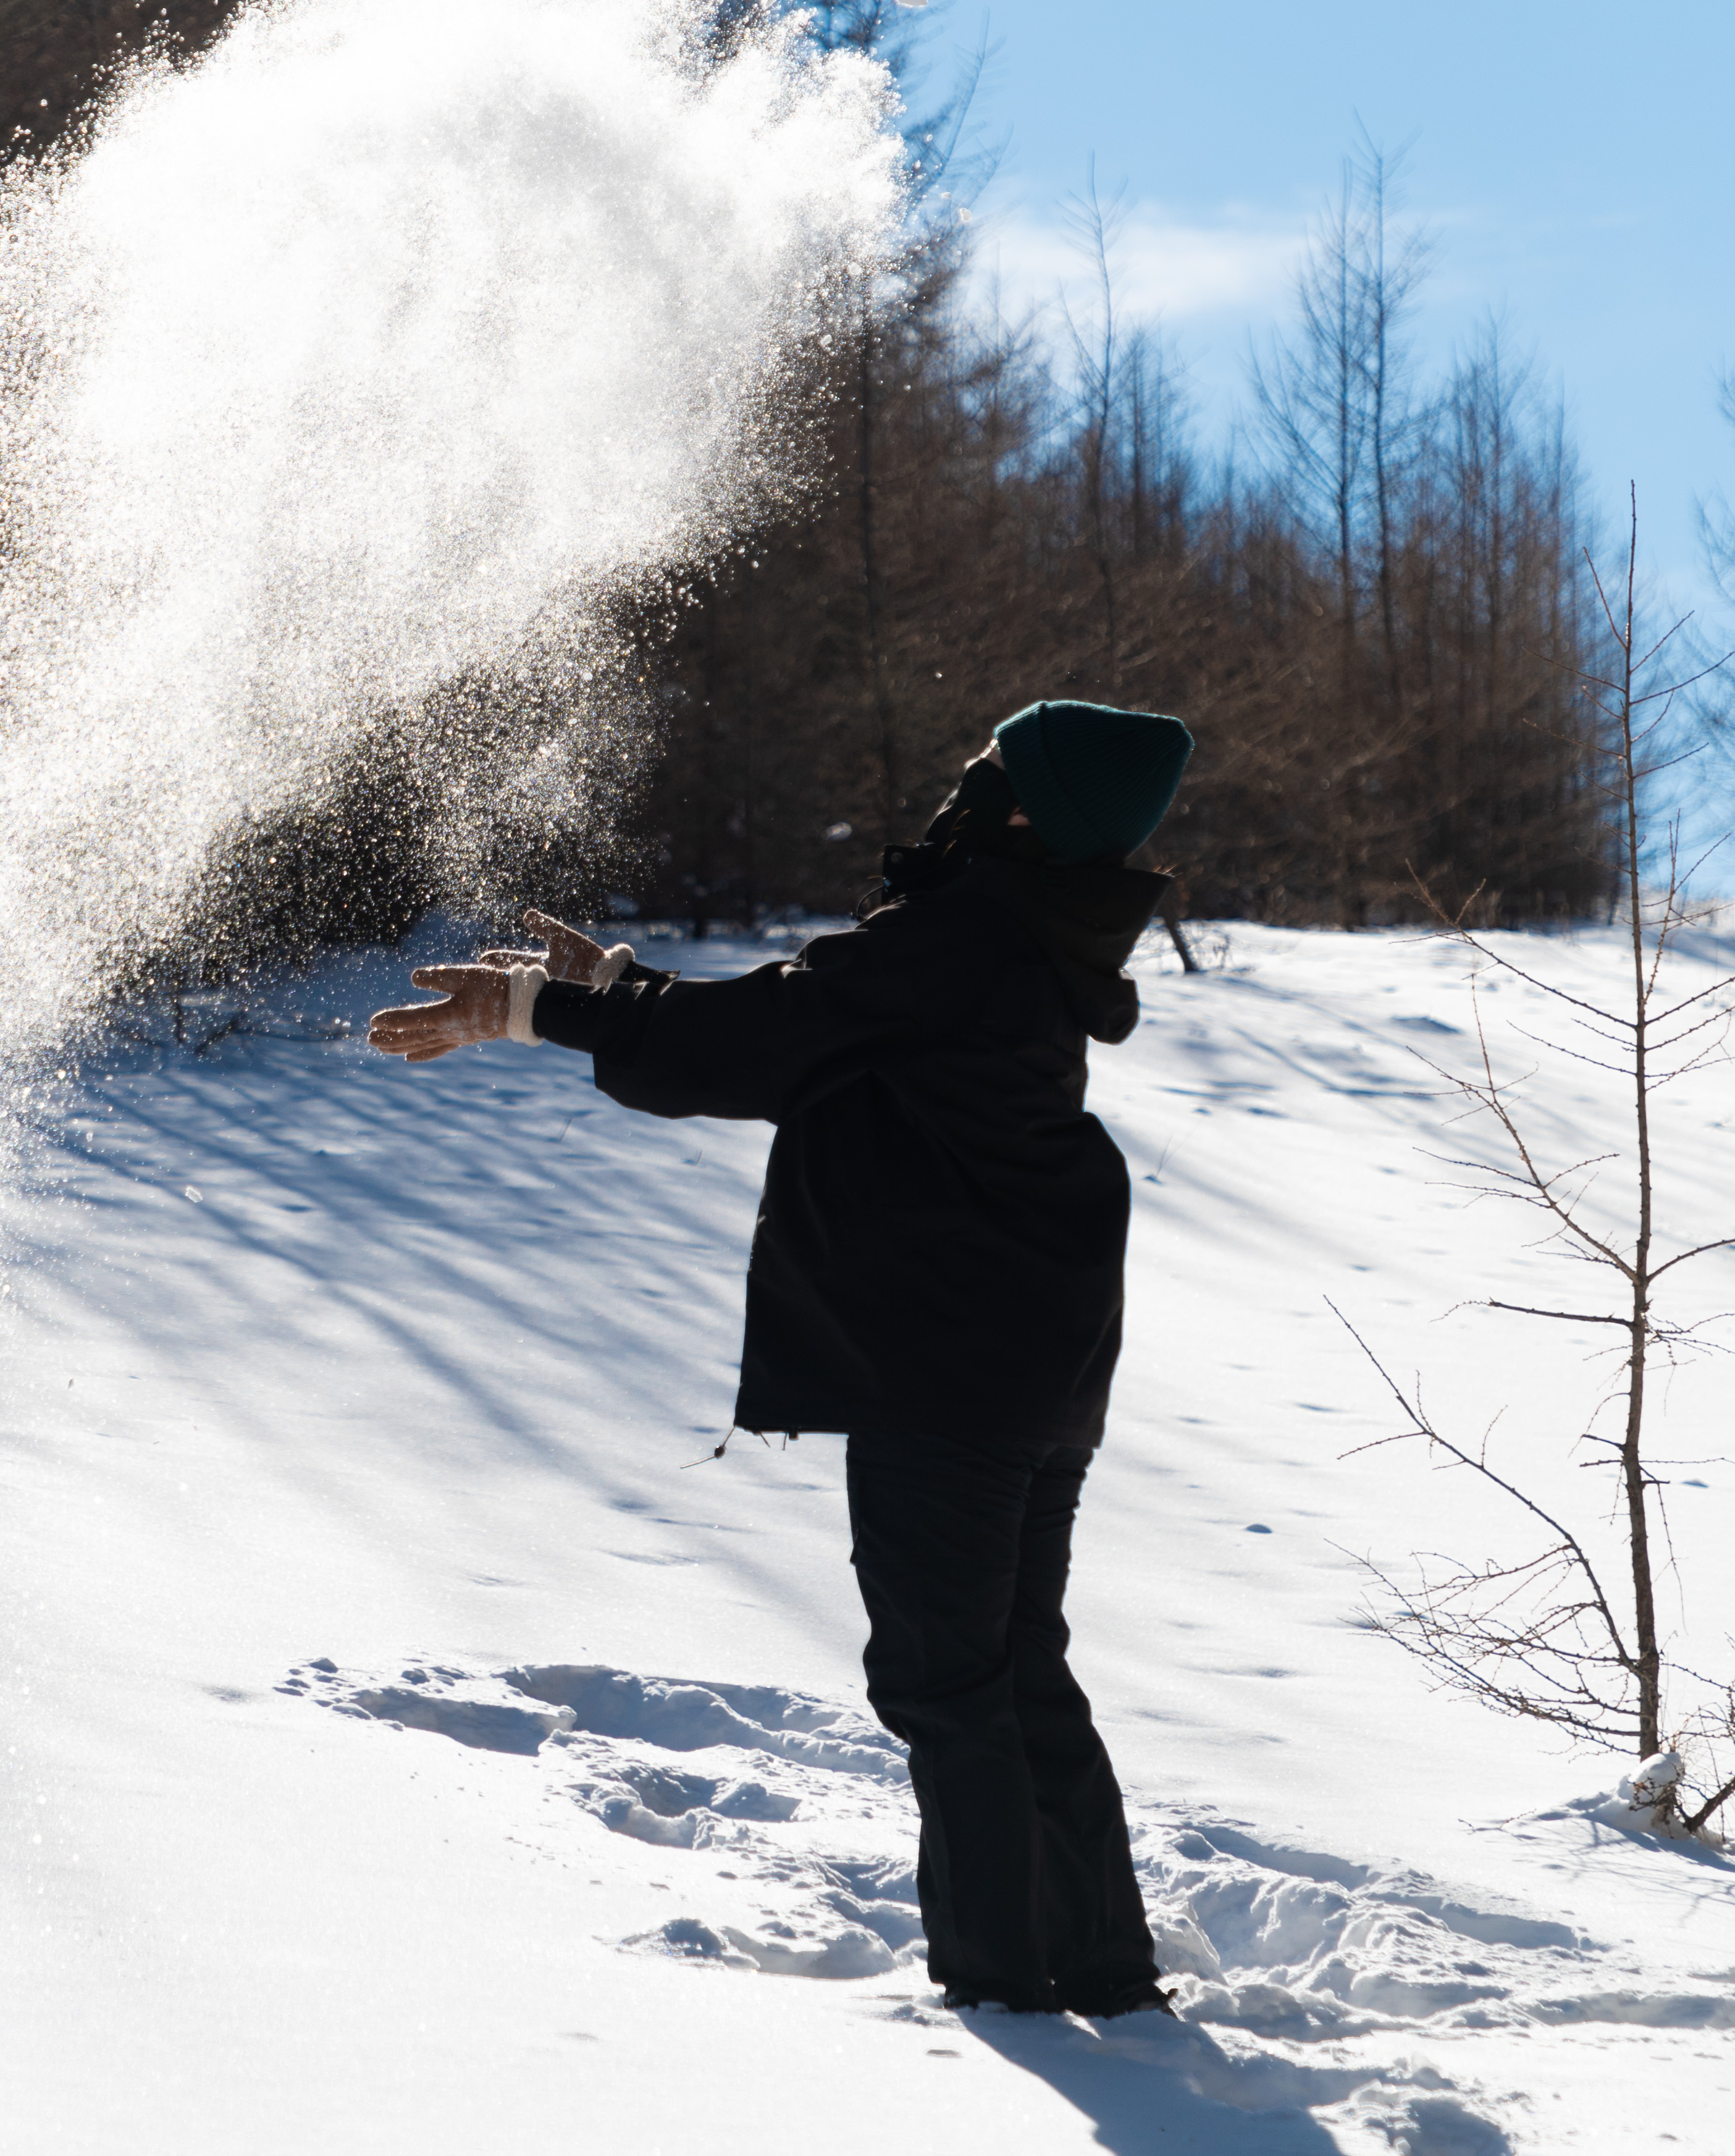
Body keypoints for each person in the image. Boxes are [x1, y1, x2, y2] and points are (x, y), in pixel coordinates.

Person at [366, 696, 1193, 2019]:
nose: (962, 781)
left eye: (988, 769)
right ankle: (1095, 1969)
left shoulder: (961, 937)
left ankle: (1008, 1988)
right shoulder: (1021, 942)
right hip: (1029, 1364)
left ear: (1031, 812)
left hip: (954, 1369)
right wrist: (612, 993)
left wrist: (534, 1009)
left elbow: (753, 1046)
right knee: (1009, 1666)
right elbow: (808, 1027)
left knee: (947, 1677)